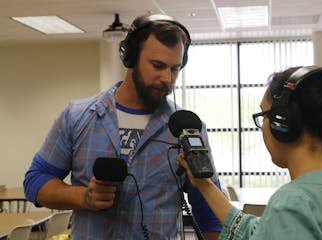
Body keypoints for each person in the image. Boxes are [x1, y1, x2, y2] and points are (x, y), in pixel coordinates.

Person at [23, 14, 222, 239]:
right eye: (157, 66)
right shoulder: (77, 117)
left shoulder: (186, 129)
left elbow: (210, 214)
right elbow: (35, 181)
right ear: (131, 57)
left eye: (175, 69)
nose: (167, 78)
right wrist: (83, 197)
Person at [177, 65, 322, 239]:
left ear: (284, 121)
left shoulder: (293, 202)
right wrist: (204, 184)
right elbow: (258, 232)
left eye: (264, 115)